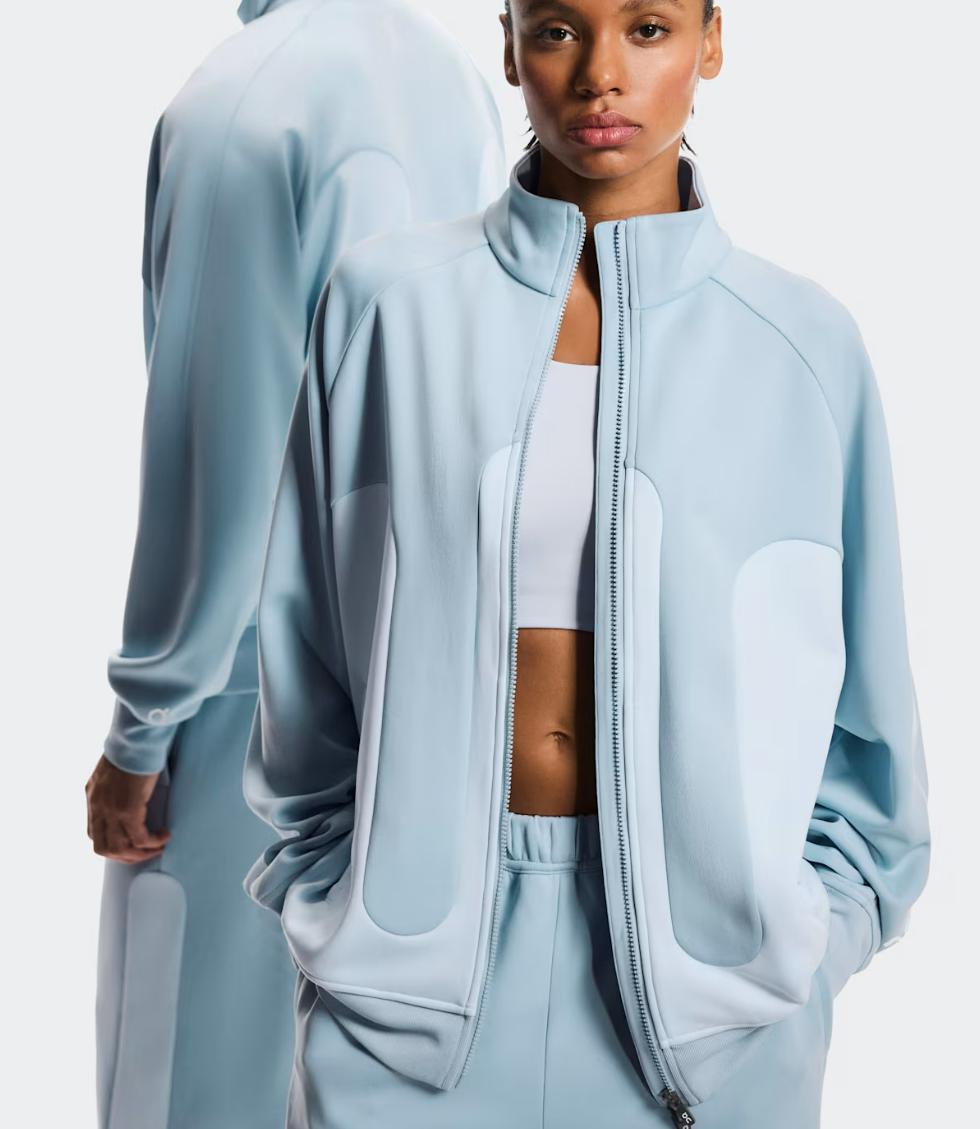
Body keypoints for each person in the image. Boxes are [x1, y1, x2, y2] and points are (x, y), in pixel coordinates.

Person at [242, 2, 931, 1126]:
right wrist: (329, 895)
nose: (601, 74)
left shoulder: (803, 346)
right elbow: (302, 646)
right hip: (405, 994)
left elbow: (871, 723)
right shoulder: (386, 307)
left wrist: (806, 948)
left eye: (648, 28)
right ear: (510, 44)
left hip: (711, 1020)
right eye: (560, 29)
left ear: (711, 42)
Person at [84, 2, 506, 1127]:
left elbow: (214, 453)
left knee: (188, 1082)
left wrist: (142, 728)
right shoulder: (460, 82)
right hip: (429, 700)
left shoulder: (243, 104)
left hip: (248, 715)